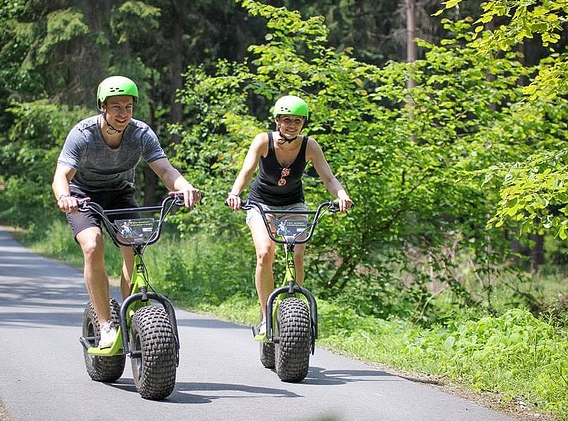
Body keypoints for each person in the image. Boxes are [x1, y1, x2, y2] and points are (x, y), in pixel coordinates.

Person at [52, 76, 200, 348]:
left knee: (134, 247)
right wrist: (64, 196)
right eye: (116, 107)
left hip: (120, 194)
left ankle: (132, 314)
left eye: (128, 107)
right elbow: (61, 175)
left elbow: (166, 170)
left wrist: (185, 187)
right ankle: (106, 324)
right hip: (82, 196)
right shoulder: (83, 134)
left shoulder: (141, 134)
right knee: (93, 245)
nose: (123, 114)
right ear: (102, 107)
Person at [225, 95, 353, 340]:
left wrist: (342, 195)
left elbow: (328, 178)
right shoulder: (263, 141)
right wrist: (235, 193)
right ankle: (266, 317)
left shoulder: (310, 146)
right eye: (286, 120)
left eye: (297, 121)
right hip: (261, 205)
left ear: (303, 123)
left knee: (296, 254)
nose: (292, 125)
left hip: (293, 205)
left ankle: (294, 310)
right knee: (265, 253)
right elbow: (247, 170)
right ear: (277, 121)